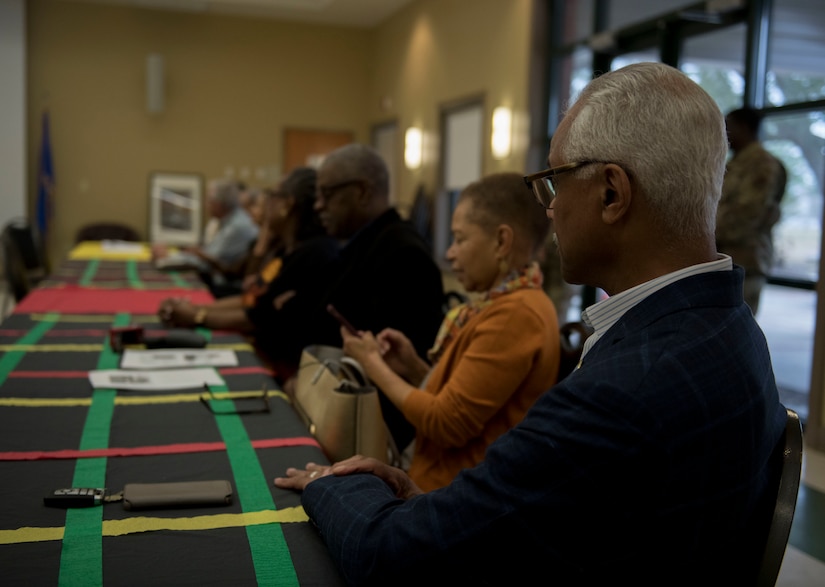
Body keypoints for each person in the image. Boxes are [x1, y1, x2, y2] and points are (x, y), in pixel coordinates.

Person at [274, 63, 787, 585]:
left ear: (611, 193)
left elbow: (388, 558)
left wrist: (329, 483)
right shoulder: (735, 329)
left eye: (554, 183)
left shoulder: (621, 392)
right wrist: (435, 507)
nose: (550, 209)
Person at [339, 172, 560, 491]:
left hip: (453, 494)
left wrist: (372, 363)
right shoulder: (502, 303)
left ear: (501, 241)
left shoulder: (516, 314)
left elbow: (446, 424)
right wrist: (414, 369)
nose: (449, 253)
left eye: (460, 238)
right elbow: (467, 403)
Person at [302, 143, 446, 451]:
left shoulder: (403, 255)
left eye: (326, 194)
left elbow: (402, 369)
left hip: (370, 435)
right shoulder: (361, 244)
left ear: (362, 192)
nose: (317, 205)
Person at [157, 167, 339, 380]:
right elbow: (252, 297)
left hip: (287, 371)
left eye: (272, 195)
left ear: (287, 204)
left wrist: (196, 316)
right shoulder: (289, 248)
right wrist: (194, 308)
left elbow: (257, 317)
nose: (265, 202)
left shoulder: (315, 253)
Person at [716, 106, 787, 316]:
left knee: (734, 329)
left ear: (745, 128)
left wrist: (705, 231)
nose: (725, 133)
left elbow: (748, 215)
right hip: (727, 258)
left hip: (746, 260)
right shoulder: (736, 164)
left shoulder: (762, 165)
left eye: (729, 126)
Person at [153, 178, 259, 297]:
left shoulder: (236, 226)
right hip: (219, 280)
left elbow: (206, 261)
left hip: (227, 287)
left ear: (219, 204)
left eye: (209, 201)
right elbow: (205, 254)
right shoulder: (227, 221)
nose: (206, 205)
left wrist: (169, 257)